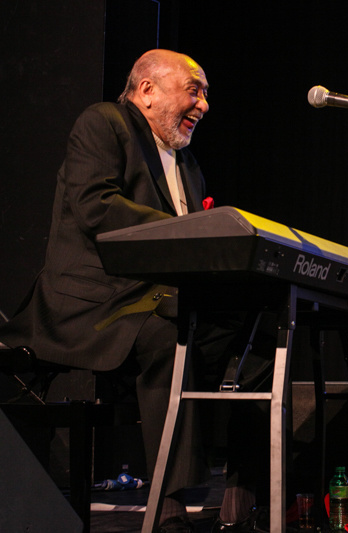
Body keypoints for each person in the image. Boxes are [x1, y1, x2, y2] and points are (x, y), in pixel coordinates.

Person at [0, 49, 271, 532]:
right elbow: (97, 207)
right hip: (94, 303)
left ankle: (244, 494)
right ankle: (170, 504)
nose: (204, 105)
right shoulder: (104, 123)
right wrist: (187, 232)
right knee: (170, 336)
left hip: (158, 300)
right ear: (147, 91)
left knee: (260, 331)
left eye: (206, 94)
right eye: (194, 90)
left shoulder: (188, 165)